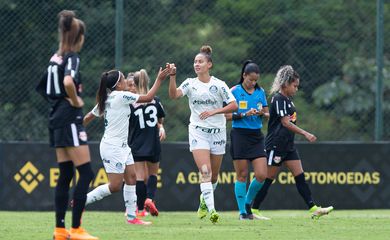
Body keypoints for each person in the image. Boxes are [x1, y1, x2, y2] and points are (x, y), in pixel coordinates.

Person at [36, 10, 98, 240]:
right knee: (86, 172)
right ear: (78, 37)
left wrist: (56, 103)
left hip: (55, 119)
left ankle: (60, 230)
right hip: (69, 118)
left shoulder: (55, 58)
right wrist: (74, 100)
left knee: (65, 173)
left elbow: (43, 88)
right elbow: (68, 81)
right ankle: (77, 229)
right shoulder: (72, 57)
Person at [83, 67, 169, 225]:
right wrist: (160, 79)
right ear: (118, 84)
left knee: (132, 178)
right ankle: (83, 200)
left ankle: (131, 217)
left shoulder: (107, 98)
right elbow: (149, 96)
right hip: (112, 147)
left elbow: (89, 116)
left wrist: (76, 129)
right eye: (123, 79)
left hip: (123, 146)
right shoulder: (122, 96)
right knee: (115, 186)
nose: (126, 82)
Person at [251, 65, 334, 219]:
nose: (296, 88)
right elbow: (285, 123)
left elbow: (279, 117)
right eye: (294, 85)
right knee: (267, 179)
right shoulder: (279, 98)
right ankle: (253, 210)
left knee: (300, 176)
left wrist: (266, 114)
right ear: (285, 84)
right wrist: (306, 133)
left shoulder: (288, 100)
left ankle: (313, 208)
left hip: (288, 145)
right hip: (276, 144)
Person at [168, 45, 238, 224]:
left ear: (209, 65)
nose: (197, 64)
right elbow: (174, 95)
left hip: (218, 133)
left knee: (214, 176)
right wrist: (173, 77)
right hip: (198, 132)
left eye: (200, 61)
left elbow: (234, 105)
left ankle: (203, 201)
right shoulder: (190, 83)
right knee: (204, 171)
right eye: (195, 62)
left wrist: (215, 112)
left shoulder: (219, 85)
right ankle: (213, 210)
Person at [225, 60, 270, 220]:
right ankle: (243, 213)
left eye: (255, 80)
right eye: (250, 79)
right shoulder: (234, 91)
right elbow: (225, 115)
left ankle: (247, 203)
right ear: (244, 75)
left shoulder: (260, 92)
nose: (253, 83)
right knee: (242, 174)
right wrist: (244, 114)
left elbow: (267, 113)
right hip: (239, 135)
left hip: (256, 136)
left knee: (261, 174)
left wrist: (261, 114)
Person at [129, 70, 167, 217]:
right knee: (152, 174)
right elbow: (161, 117)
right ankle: (150, 199)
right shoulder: (155, 100)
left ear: (135, 84)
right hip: (153, 141)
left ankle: (140, 210)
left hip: (137, 142)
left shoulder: (131, 102)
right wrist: (161, 126)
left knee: (139, 176)